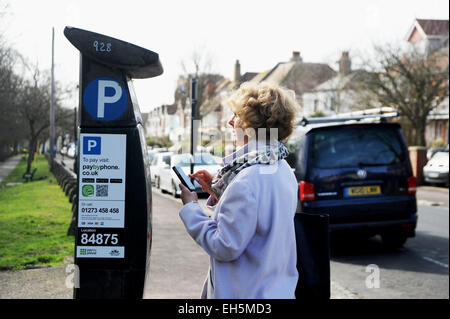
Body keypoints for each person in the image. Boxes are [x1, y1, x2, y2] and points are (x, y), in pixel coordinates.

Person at [178, 82, 300, 299]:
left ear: (250, 125)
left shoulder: (246, 181)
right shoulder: (283, 169)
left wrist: (190, 209)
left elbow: (225, 246)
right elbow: (259, 222)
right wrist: (219, 192)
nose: (230, 122)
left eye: (236, 115)